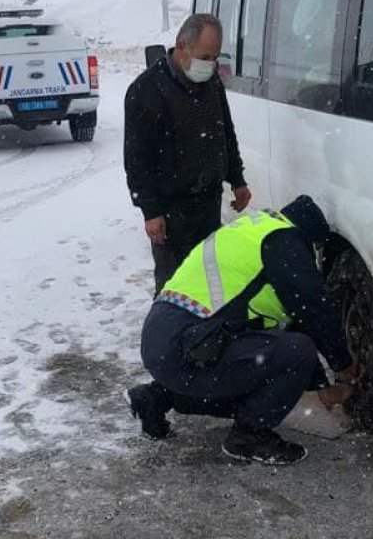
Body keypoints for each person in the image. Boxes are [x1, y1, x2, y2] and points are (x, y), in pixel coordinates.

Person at [125, 195, 360, 465]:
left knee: (259, 364)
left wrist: (321, 384)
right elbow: (313, 308)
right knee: (296, 355)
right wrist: (342, 365)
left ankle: (156, 397)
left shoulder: (253, 230)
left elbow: (291, 320)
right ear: (307, 237)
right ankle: (248, 438)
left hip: (165, 342)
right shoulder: (284, 242)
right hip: (188, 346)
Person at [124, 13, 252, 294]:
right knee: (175, 289)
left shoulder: (211, 83)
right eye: (205, 56)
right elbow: (137, 161)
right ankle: (169, 337)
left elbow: (224, 133)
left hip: (207, 203)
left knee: (210, 284)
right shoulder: (146, 91)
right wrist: (151, 212)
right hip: (171, 215)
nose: (210, 65)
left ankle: (206, 337)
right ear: (182, 47)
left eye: (215, 57)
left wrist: (238, 179)